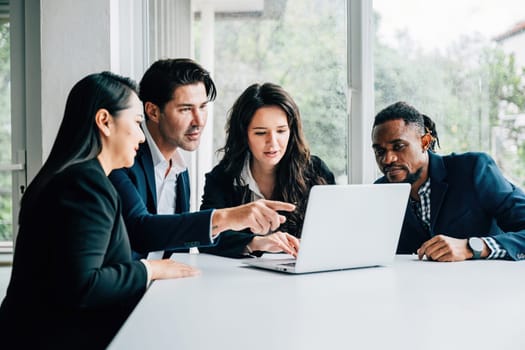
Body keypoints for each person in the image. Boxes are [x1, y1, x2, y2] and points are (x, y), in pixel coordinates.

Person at [0, 72, 201, 349]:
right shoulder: (85, 184)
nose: (142, 138)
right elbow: (82, 286)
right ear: (105, 121)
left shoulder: (73, 177)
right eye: (137, 123)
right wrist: (149, 269)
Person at [109, 59, 297, 260]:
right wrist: (229, 217)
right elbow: (140, 231)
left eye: (203, 107)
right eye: (186, 109)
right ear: (153, 111)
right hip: (130, 287)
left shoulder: (179, 169)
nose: (199, 121)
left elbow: (179, 242)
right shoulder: (123, 158)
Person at [371, 101, 525, 262]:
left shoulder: (473, 169)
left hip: (484, 284)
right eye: (380, 151)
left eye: (399, 146)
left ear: (424, 142)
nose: (388, 159)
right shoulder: (380, 192)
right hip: (413, 286)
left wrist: (473, 248)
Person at [200, 82, 336, 257]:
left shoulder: (316, 171)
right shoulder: (223, 177)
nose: (272, 143)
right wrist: (255, 243)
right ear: (244, 135)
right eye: (260, 132)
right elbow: (204, 238)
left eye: (281, 131)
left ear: (291, 131)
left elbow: (334, 232)